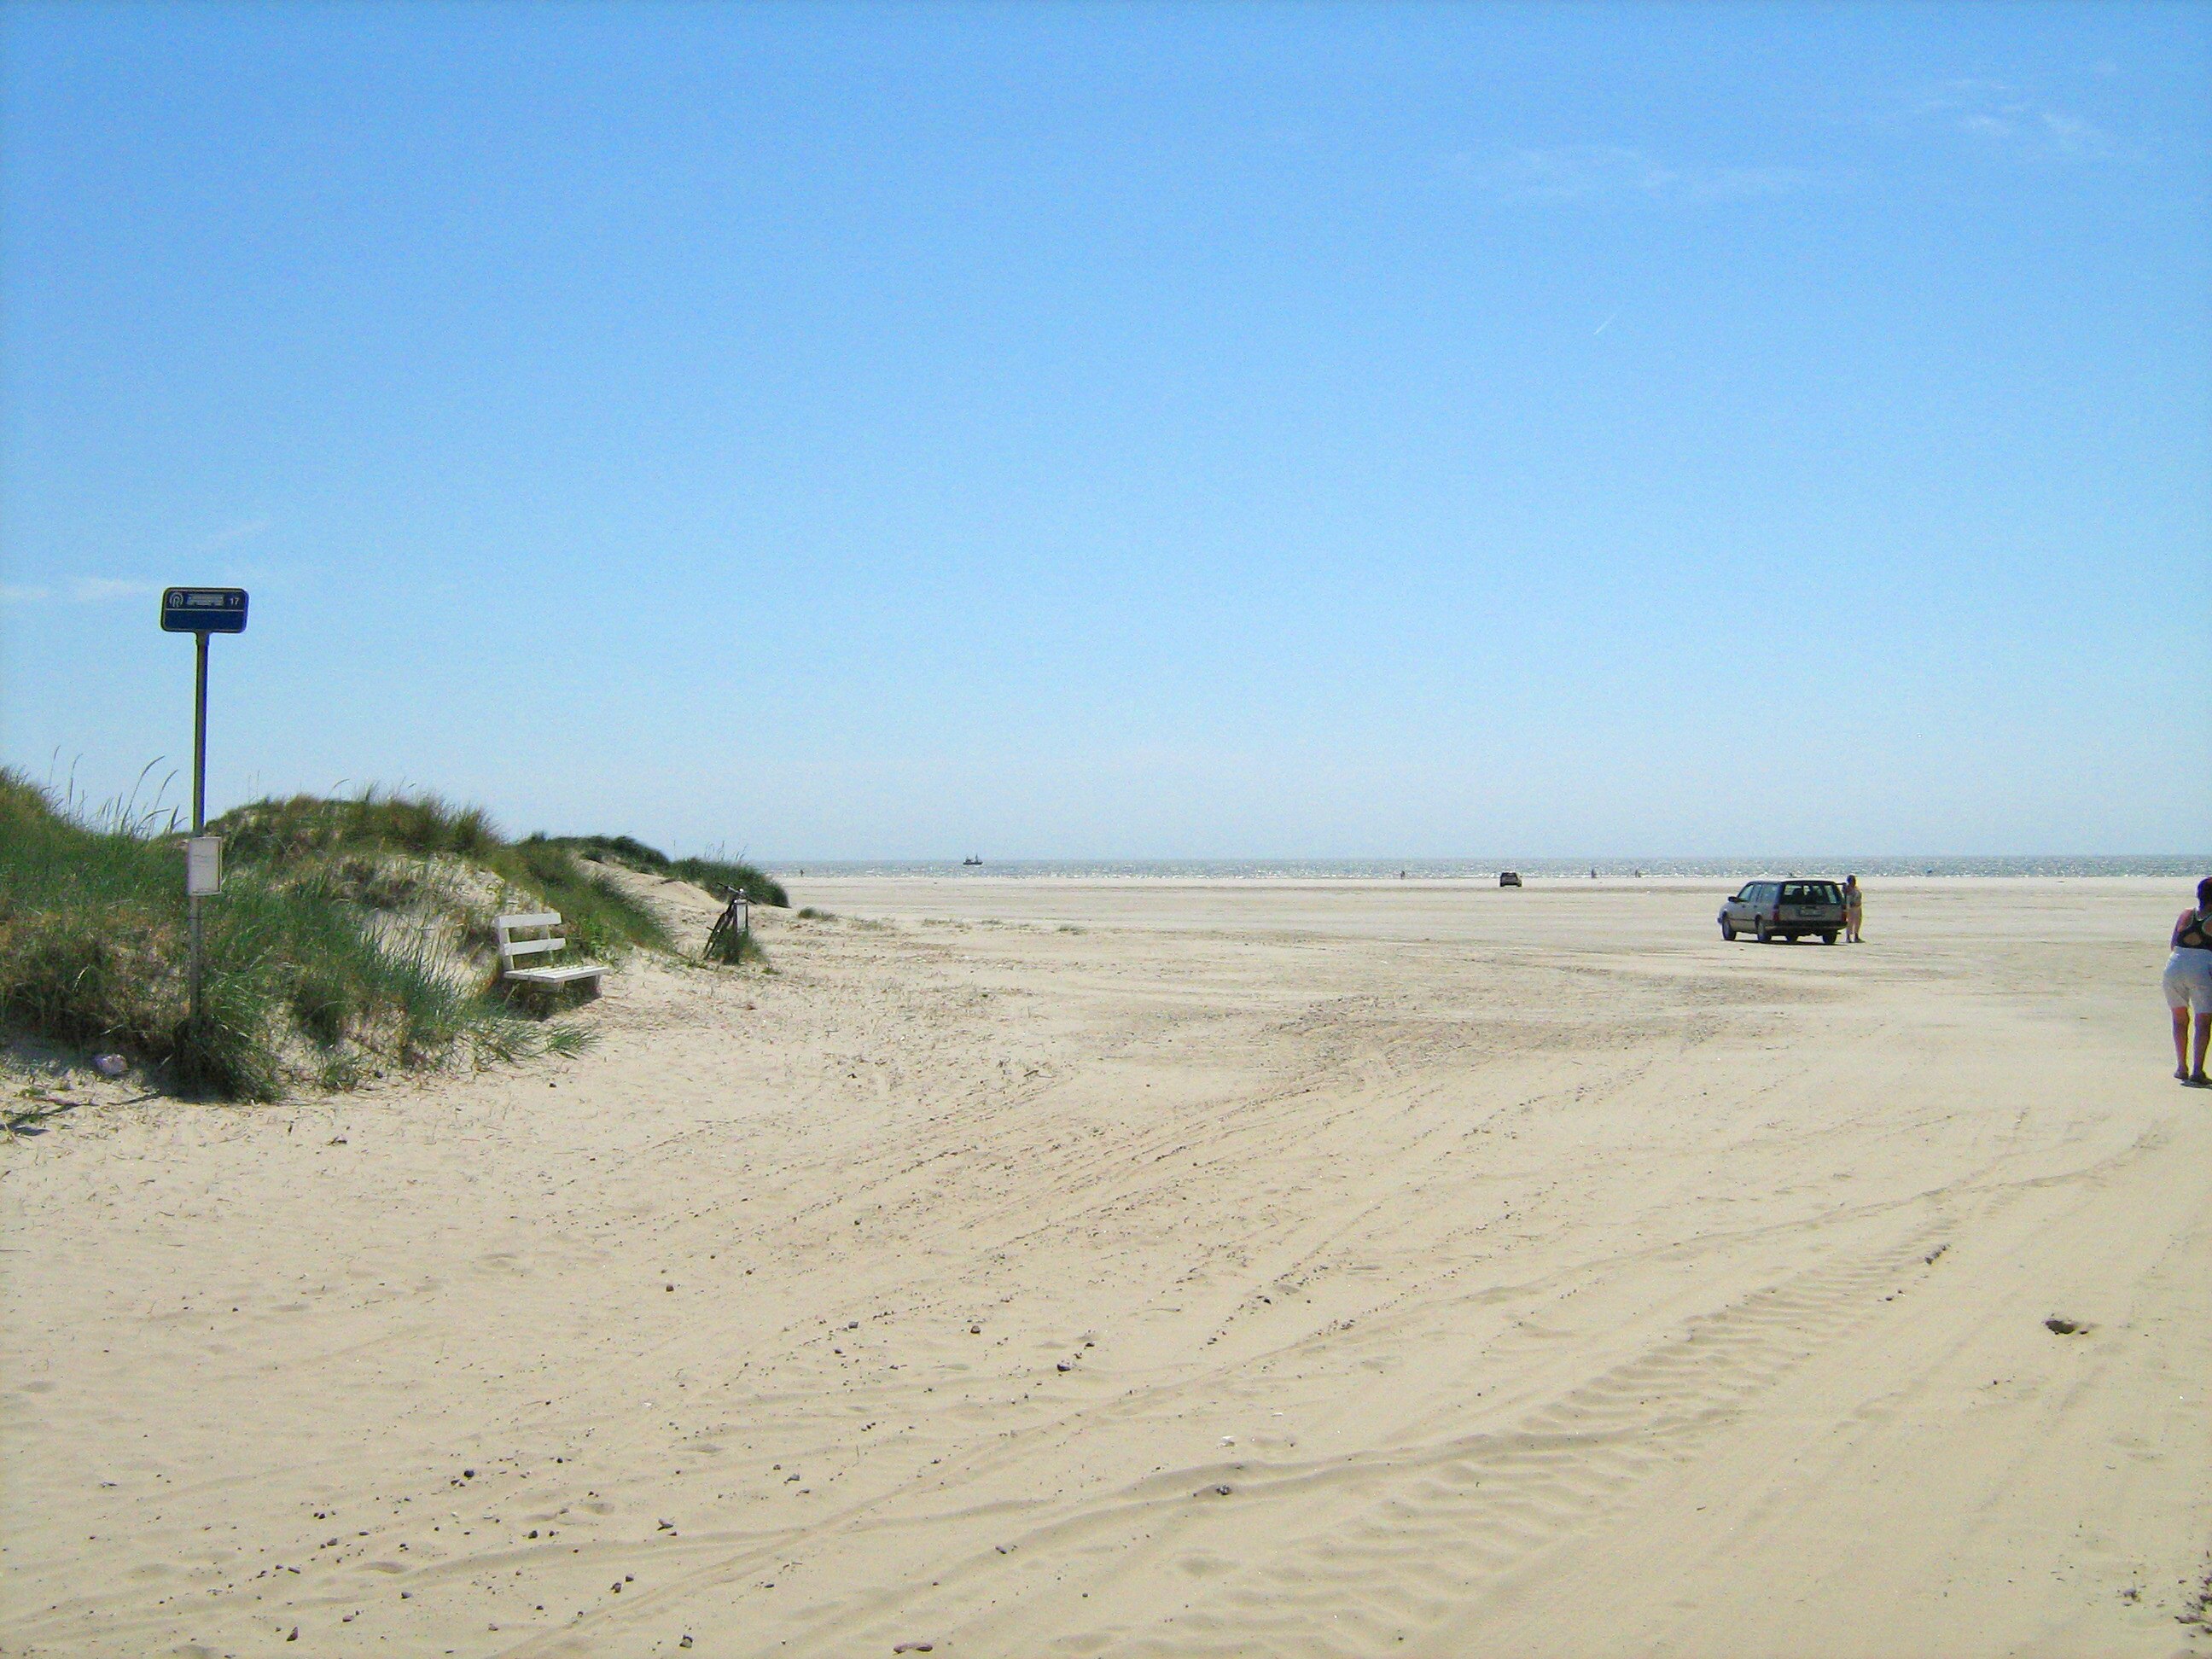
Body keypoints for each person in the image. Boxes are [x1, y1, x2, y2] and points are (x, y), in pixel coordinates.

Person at [2164, 877, 2212, 1086]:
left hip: (2174, 967)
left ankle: (2181, 1067)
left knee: (2180, 1018)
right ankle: (2197, 1071)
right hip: (2201, 967)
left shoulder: (2186, 914)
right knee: (2203, 1020)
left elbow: (2173, 944)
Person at [1842, 874, 1865, 943]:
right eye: (1853, 880)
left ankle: (1856, 936)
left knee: (1858, 922)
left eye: (1854, 880)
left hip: (1858, 907)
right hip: (1850, 908)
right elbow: (1846, 896)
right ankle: (1848, 937)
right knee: (1850, 922)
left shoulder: (1856, 888)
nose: (1854, 881)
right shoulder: (1847, 888)